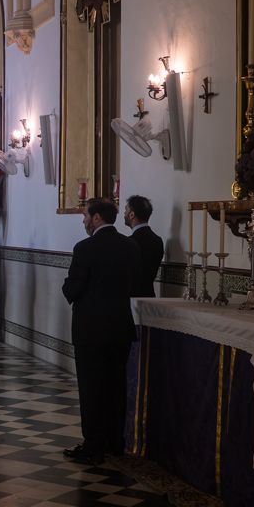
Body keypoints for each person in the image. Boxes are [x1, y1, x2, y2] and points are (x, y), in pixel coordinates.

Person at [62, 198, 140, 465]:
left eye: (85, 215)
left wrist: (67, 285)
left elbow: (73, 289)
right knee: (116, 386)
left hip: (90, 330)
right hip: (120, 327)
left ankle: (93, 445)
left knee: (92, 387)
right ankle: (115, 442)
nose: (83, 220)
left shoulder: (85, 248)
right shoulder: (130, 246)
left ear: (96, 218)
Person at [125, 195, 164, 297]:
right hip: (149, 295)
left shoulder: (129, 242)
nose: (124, 213)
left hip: (132, 299)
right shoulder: (158, 240)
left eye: (126, 210)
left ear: (132, 214)